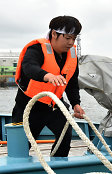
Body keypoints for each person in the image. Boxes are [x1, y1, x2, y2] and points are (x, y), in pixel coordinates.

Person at [12, 15, 85, 157]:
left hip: (54, 106)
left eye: (74, 38)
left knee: (65, 135)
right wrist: (47, 76)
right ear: (54, 34)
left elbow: (71, 83)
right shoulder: (36, 48)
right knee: (21, 147)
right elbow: (29, 67)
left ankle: (56, 167)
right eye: (68, 37)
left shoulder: (72, 55)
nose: (71, 42)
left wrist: (76, 103)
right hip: (28, 107)